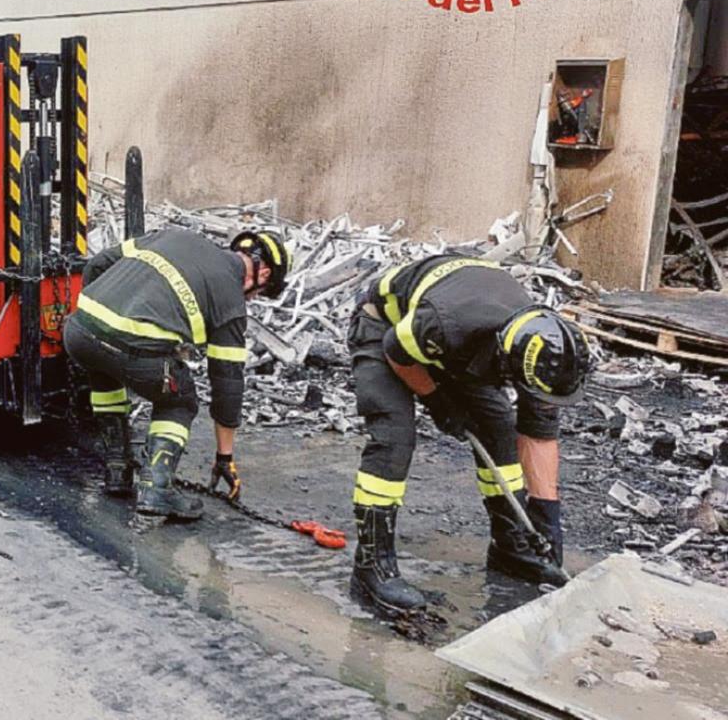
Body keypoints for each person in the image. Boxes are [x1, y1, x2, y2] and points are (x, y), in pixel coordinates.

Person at [346, 254, 591, 613]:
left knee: (498, 429)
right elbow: (397, 352)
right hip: (386, 330)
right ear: (507, 362)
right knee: (394, 439)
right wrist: (438, 400)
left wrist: (546, 518)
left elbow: (538, 434)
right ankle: (372, 569)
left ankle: (511, 548)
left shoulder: (542, 352)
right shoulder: (447, 324)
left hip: (456, 346)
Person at [62, 228, 291, 519]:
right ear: (264, 274)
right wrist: (224, 457)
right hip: (135, 350)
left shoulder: (178, 237)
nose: (254, 300)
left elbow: (98, 264)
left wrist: (96, 319)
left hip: (79, 333)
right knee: (179, 401)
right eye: (260, 293)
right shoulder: (230, 299)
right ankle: (156, 488)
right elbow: (227, 383)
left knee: (105, 368)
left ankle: (117, 469)